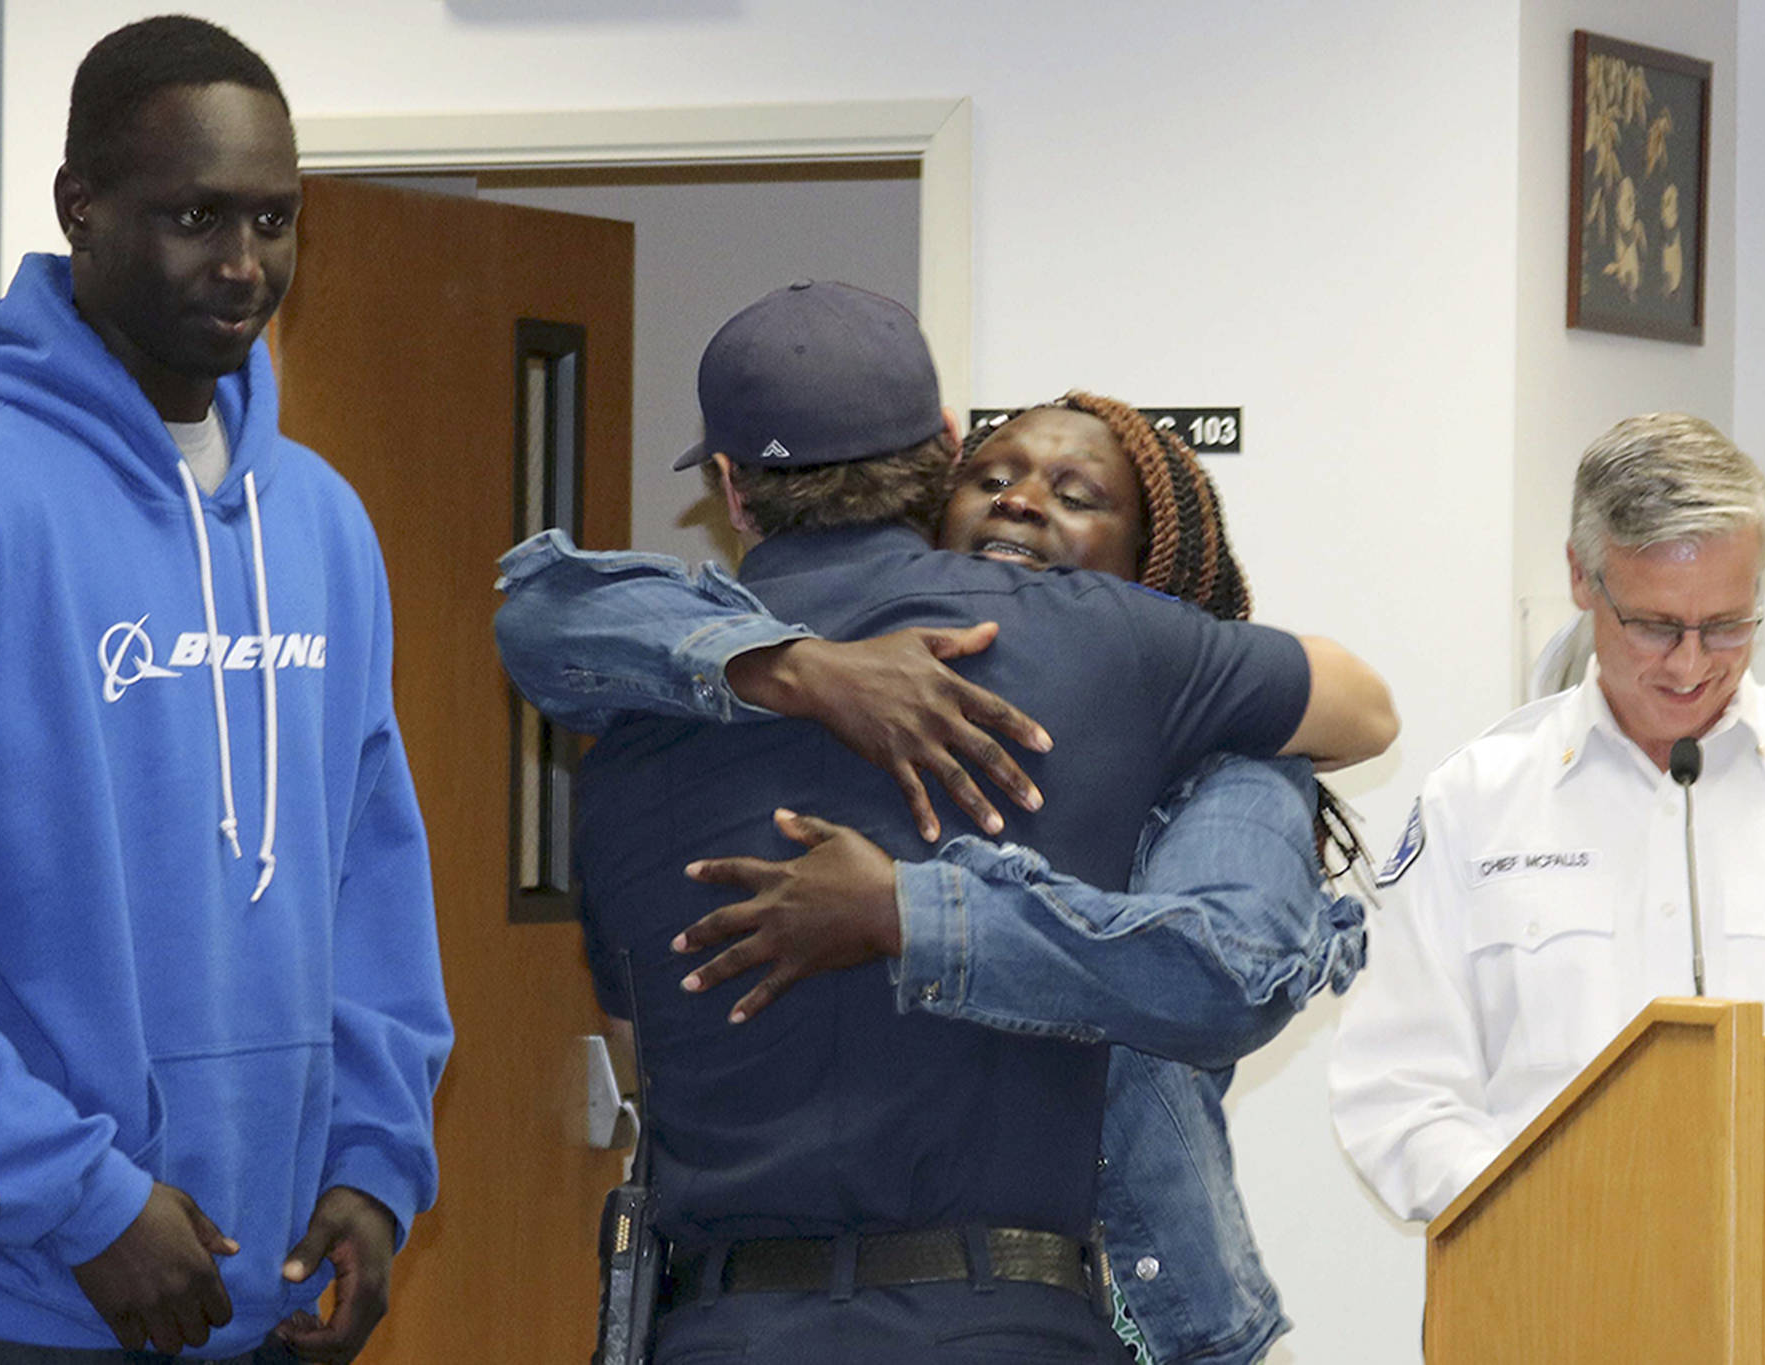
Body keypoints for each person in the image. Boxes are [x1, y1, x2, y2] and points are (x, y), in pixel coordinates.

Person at [526, 279, 1379, 1363]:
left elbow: (639, 1053)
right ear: (938, 451)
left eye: (1077, 493)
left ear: (731, 488)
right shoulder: (1103, 648)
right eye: (999, 474)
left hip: (723, 1326)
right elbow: (1362, 707)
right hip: (1000, 1320)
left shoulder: (631, 728)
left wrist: (906, 910)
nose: (1024, 508)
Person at [0, 18, 452, 1363]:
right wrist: (75, 1197)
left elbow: (372, 877)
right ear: (80, 206)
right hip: (35, 1290)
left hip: (264, 1297)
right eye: (194, 215)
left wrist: (376, 1167)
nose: (244, 264)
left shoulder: (321, 522)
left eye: (274, 217)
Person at [1328, 412, 1765, 1224]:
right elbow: (1395, 1087)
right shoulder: (1477, 799)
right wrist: (1558, 1213)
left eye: (1727, 626)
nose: (1689, 663)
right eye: (1654, 625)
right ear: (1580, 576)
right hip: (1541, 1291)